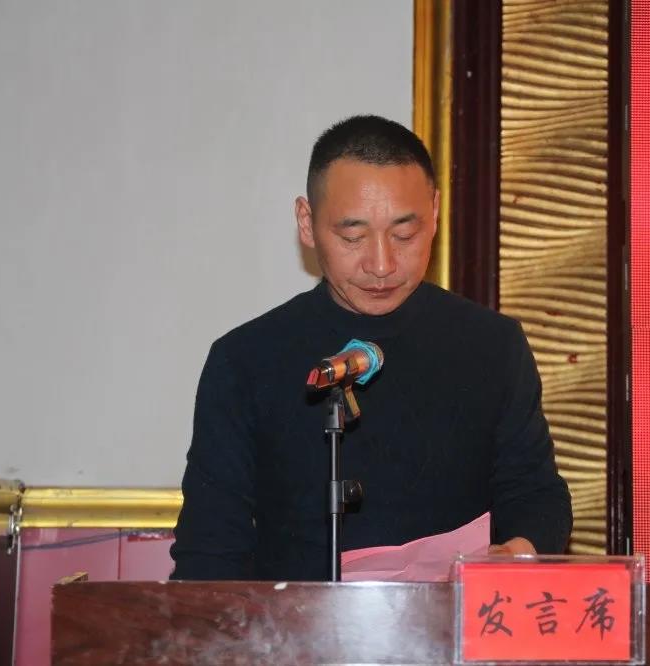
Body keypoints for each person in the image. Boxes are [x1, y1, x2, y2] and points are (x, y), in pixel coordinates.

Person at [170, 115, 571, 581]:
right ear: (307, 222)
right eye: (353, 237)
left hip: (453, 620)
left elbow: (536, 495)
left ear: (435, 212)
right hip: (294, 624)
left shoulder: (492, 346)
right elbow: (209, 551)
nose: (381, 265)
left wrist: (516, 552)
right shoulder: (246, 361)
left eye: (404, 234)